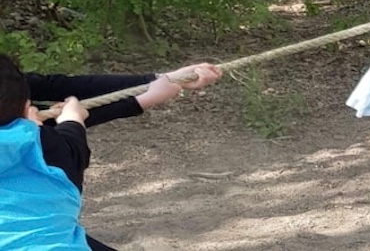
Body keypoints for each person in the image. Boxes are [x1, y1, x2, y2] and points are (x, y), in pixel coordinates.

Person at [0, 57, 222, 250]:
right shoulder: (48, 148)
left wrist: (159, 79)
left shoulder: (36, 138)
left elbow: (54, 89)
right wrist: (144, 98)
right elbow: (63, 141)